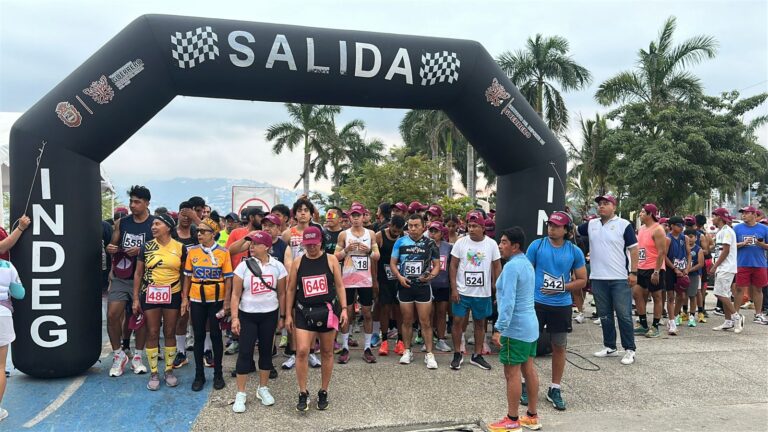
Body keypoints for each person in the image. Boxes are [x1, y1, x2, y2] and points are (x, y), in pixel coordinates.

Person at [525, 212, 587, 411]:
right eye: (550, 224)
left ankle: (555, 388)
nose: (551, 228)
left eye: (557, 226)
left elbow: (582, 280)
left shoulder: (574, 251)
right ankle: (526, 383)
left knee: (559, 346)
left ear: (567, 230)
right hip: (536, 302)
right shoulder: (536, 246)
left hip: (561, 305)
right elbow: (526, 271)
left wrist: (562, 288)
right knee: (530, 344)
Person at [284, 226, 348, 412]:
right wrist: (287, 314)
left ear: (321, 242)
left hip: (327, 311)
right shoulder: (298, 262)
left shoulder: (331, 259)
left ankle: (323, 390)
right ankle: (302, 391)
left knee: (327, 352)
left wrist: (344, 309)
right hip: (304, 311)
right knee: (302, 351)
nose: (311, 247)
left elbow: (340, 286)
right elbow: (290, 289)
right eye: (308, 244)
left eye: (315, 244)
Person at [489, 227, 542, 432]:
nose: (500, 246)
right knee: (529, 369)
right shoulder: (526, 263)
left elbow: (509, 302)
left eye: (504, 242)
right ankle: (532, 416)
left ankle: (512, 419)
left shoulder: (512, 266)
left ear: (515, 246)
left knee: (512, 374)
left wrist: (499, 328)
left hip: (515, 328)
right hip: (530, 325)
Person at [578, 195, 638, 365]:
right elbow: (572, 230)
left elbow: (634, 249)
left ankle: (630, 349)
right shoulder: (591, 224)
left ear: (614, 207)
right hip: (598, 277)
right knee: (604, 315)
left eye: (606, 203)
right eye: (599, 204)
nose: (601, 206)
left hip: (619, 278)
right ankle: (610, 346)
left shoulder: (624, 224)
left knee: (624, 315)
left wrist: (634, 272)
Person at [231, 231, 287, 412]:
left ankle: (263, 388)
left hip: (269, 315)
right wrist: (234, 318)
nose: (251, 246)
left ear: (267, 247)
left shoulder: (277, 267)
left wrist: (283, 316)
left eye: (256, 243)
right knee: (245, 353)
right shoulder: (243, 266)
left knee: (266, 352)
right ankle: (241, 393)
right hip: (247, 315)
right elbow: (235, 294)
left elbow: (282, 293)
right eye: (251, 243)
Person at [132, 213, 185, 390]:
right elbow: (138, 273)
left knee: (170, 331)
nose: (153, 227)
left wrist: (185, 298)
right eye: (152, 224)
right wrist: (135, 298)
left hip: (173, 293)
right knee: (152, 332)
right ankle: (154, 372)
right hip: (150, 293)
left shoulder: (180, 247)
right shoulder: (146, 247)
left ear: (168, 227)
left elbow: (184, 274)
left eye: (157, 224)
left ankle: (169, 370)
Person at [106, 186, 155, 377]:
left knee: (140, 317)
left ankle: (138, 357)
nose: (133, 205)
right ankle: (119, 355)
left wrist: (141, 250)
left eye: (137, 202)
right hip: (122, 275)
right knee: (112, 315)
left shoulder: (154, 224)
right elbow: (113, 245)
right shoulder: (122, 222)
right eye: (131, 201)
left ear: (147, 203)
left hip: (145, 277)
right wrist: (111, 248)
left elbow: (162, 248)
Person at [182, 218, 233, 391]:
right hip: (197, 299)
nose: (199, 234)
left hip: (216, 300)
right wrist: (185, 298)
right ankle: (199, 375)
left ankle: (218, 374)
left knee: (217, 336)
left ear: (213, 234)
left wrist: (227, 301)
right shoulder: (193, 251)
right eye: (198, 231)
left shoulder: (223, 252)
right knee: (198, 336)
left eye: (203, 231)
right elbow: (187, 277)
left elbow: (228, 279)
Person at [449, 211, 501, 371]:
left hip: (482, 293)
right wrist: (454, 288)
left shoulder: (491, 244)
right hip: (463, 291)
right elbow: (453, 266)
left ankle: (477, 355)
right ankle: (457, 353)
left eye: (475, 226)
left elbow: (497, 266)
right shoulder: (460, 243)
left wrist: (496, 286)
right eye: (469, 226)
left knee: (480, 323)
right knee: (457, 321)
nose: (471, 229)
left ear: (483, 228)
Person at [390, 214, 441, 369]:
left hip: (423, 287)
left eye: (416, 225)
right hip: (405, 286)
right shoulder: (400, 242)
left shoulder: (430, 243)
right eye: (410, 226)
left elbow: (437, 265)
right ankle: (407, 350)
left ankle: (429, 354)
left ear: (423, 227)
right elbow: (393, 263)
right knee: (407, 320)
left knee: (425, 321)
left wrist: (431, 276)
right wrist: (399, 277)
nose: (412, 228)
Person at [280, 197, 324, 370]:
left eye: (306, 210)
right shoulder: (288, 233)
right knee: (293, 315)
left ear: (311, 214)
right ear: (295, 214)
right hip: (294, 279)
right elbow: (284, 255)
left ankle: (311, 351)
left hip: (312, 280)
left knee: (313, 315)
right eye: (300, 211)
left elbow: (322, 254)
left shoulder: (317, 231)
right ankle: (293, 352)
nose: (303, 213)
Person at [335, 203, 380, 364]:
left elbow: (377, 256)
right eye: (353, 216)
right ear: (349, 217)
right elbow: (335, 256)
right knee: (346, 313)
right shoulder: (343, 234)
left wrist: (368, 251)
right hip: (347, 279)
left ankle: (367, 348)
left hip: (364, 280)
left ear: (363, 216)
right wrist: (346, 250)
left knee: (367, 313)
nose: (355, 219)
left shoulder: (371, 234)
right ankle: (345, 347)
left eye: (358, 215)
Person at [171, 201, 199, 367]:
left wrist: (195, 217)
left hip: (199, 281)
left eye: (189, 214)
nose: (186, 217)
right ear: (178, 214)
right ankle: (181, 352)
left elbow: (213, 234)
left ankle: (206, 350)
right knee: (181, 318)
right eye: (184, 213)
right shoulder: (171, 233)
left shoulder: (197, 232)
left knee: (201, 319)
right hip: (178, 281)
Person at [375, 215, 405, 356]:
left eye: (399, 231)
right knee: (385, 309)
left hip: (399, 278)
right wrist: (374, 280)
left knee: (399, 309)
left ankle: (400, 340)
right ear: (390, 225)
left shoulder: (404, 237)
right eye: (394, 230)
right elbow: (374, 260)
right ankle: (384, 340)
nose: (396, 233)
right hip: (383, 277)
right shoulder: (379, 236)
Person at [733, 206, 768, 325]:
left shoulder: (764, 228)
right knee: (739, 289)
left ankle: (758, 314)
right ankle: (735, 315)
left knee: (758, 289)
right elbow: (730, 245)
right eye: (742, 213)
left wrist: (761, 245)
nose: (743, 215)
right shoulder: (737, 228)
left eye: (746, 213)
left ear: (754, 214)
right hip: (742, 263)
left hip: (759, 264)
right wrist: (742, 243)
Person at [710, 208, 741, 332]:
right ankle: (728, 321)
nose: (712, 219)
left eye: (714, 216)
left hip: (726, 267)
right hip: (722, 267)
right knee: (724, 294)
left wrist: (715, 266)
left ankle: (737, 317)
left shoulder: (727, 231)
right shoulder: (721, 231)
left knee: (720, 293)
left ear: (720, 217)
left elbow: (726, 251)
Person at [427, 221, 453, 353]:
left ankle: (441, 340)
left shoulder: (448, 247)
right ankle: (428, 339)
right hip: (428, 285)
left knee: (442, 312)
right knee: (429, 313)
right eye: (431, 231)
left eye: (435, 231)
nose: (433, 234)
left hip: (443, 284)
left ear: (441, 233)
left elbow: (451, 266)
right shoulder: (424, 245)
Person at [666, 216, 691, 335]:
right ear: (672, 226)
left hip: (682, 269)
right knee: (670, 296)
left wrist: (687, 268)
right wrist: (674, 268)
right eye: (679, 225)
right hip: (670, 269)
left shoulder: (685, 238)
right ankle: (672, 322)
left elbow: (689, 254)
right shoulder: (668, 238)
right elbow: (664, 256)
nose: (681, 227)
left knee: (681, 296)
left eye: (682, 225)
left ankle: (674, 317)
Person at [684, 229, 705, 328]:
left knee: (693, 295)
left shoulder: (698, 249)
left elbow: (701, 264)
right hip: (682, 275)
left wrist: (689, 270)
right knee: (682, 295)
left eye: (692, 237)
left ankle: (692, 316)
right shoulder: (682, 248)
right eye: (688, 237)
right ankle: (683, 313)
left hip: (693, 275)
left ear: (696, 238)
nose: (690, 239)